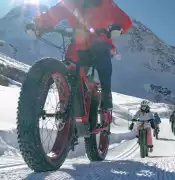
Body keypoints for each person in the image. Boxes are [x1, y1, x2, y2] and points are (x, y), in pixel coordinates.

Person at [25, 0, 132, 134]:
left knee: (103, 61)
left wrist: (118, 28)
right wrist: (38, 25)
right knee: (69, 69)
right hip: (78, 44)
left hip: (100, 42)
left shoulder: (106, 4)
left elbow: (124, 20)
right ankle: (69, 105)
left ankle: (106, 94)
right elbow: (53, 14)